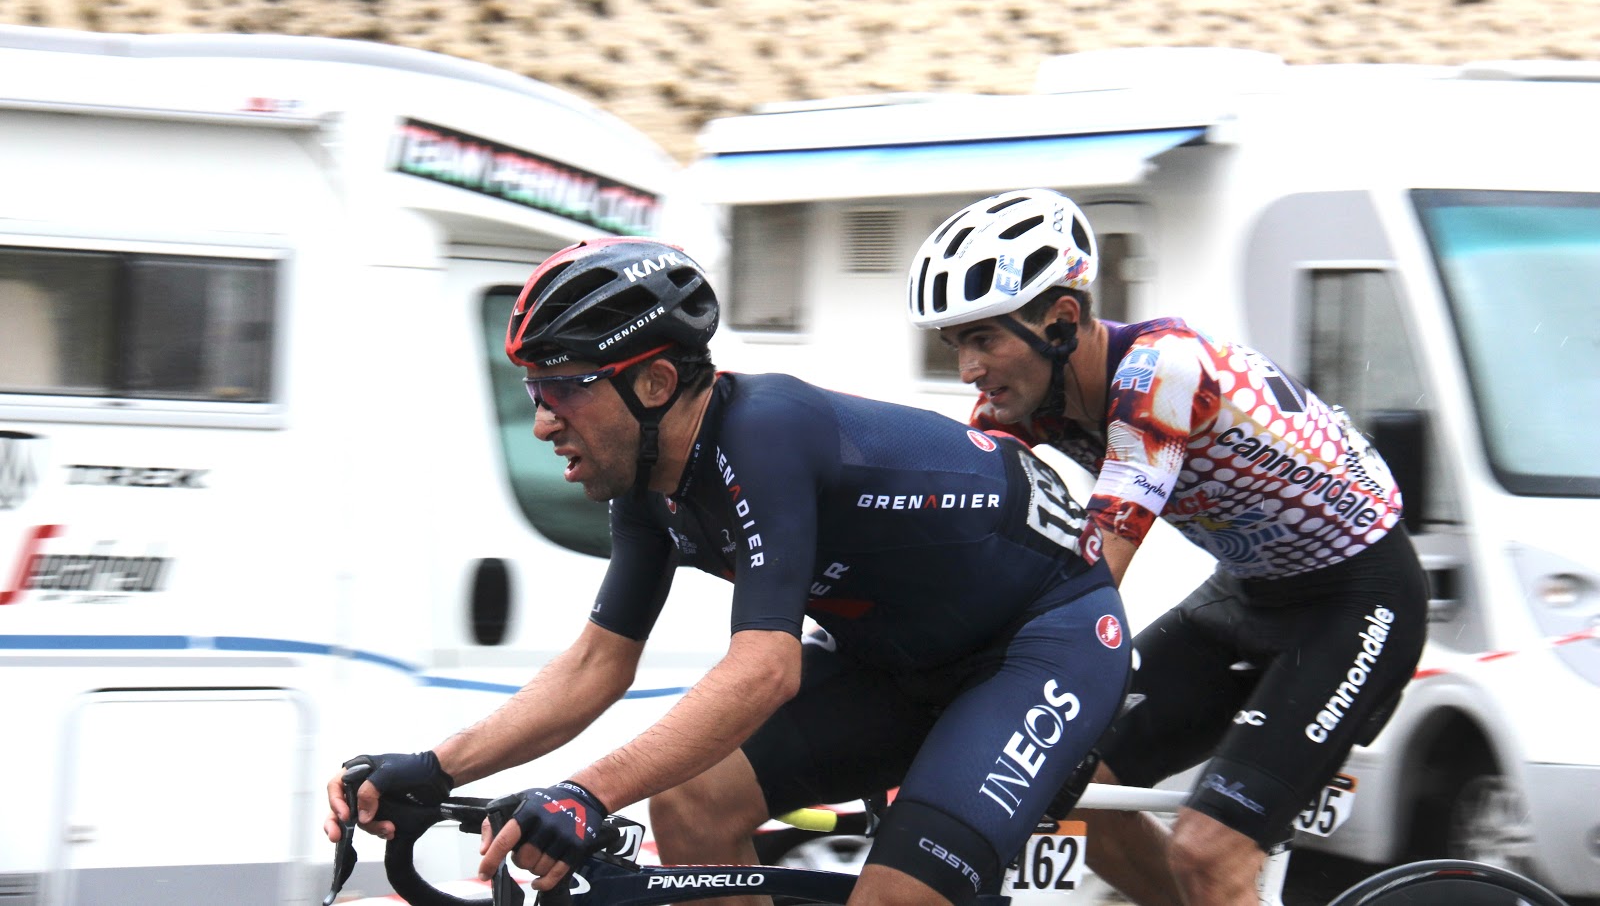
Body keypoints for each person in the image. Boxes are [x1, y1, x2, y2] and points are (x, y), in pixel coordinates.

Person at [326, 236, 1132, 906]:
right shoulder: (647, 484)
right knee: (692, 803)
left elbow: (766, 666)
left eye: (563, 388)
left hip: (1044, 640)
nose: (541, 422)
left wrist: (586, 791)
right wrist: (433, 767)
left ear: (654, 383)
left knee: (894, 897)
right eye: (534, 390)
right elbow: (597, 664)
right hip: (901, 660)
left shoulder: (764, 432)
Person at [906, 189, 1428, 906]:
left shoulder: (1162, 369)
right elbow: (953, 532)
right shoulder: (1026, 403)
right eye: (955, 345)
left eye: (984, 339)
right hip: (1247, 593)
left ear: (1061, 321)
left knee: (1208, 850)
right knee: (1074, 787)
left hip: (1358, 599)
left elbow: (1099, 563)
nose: (968, 368)